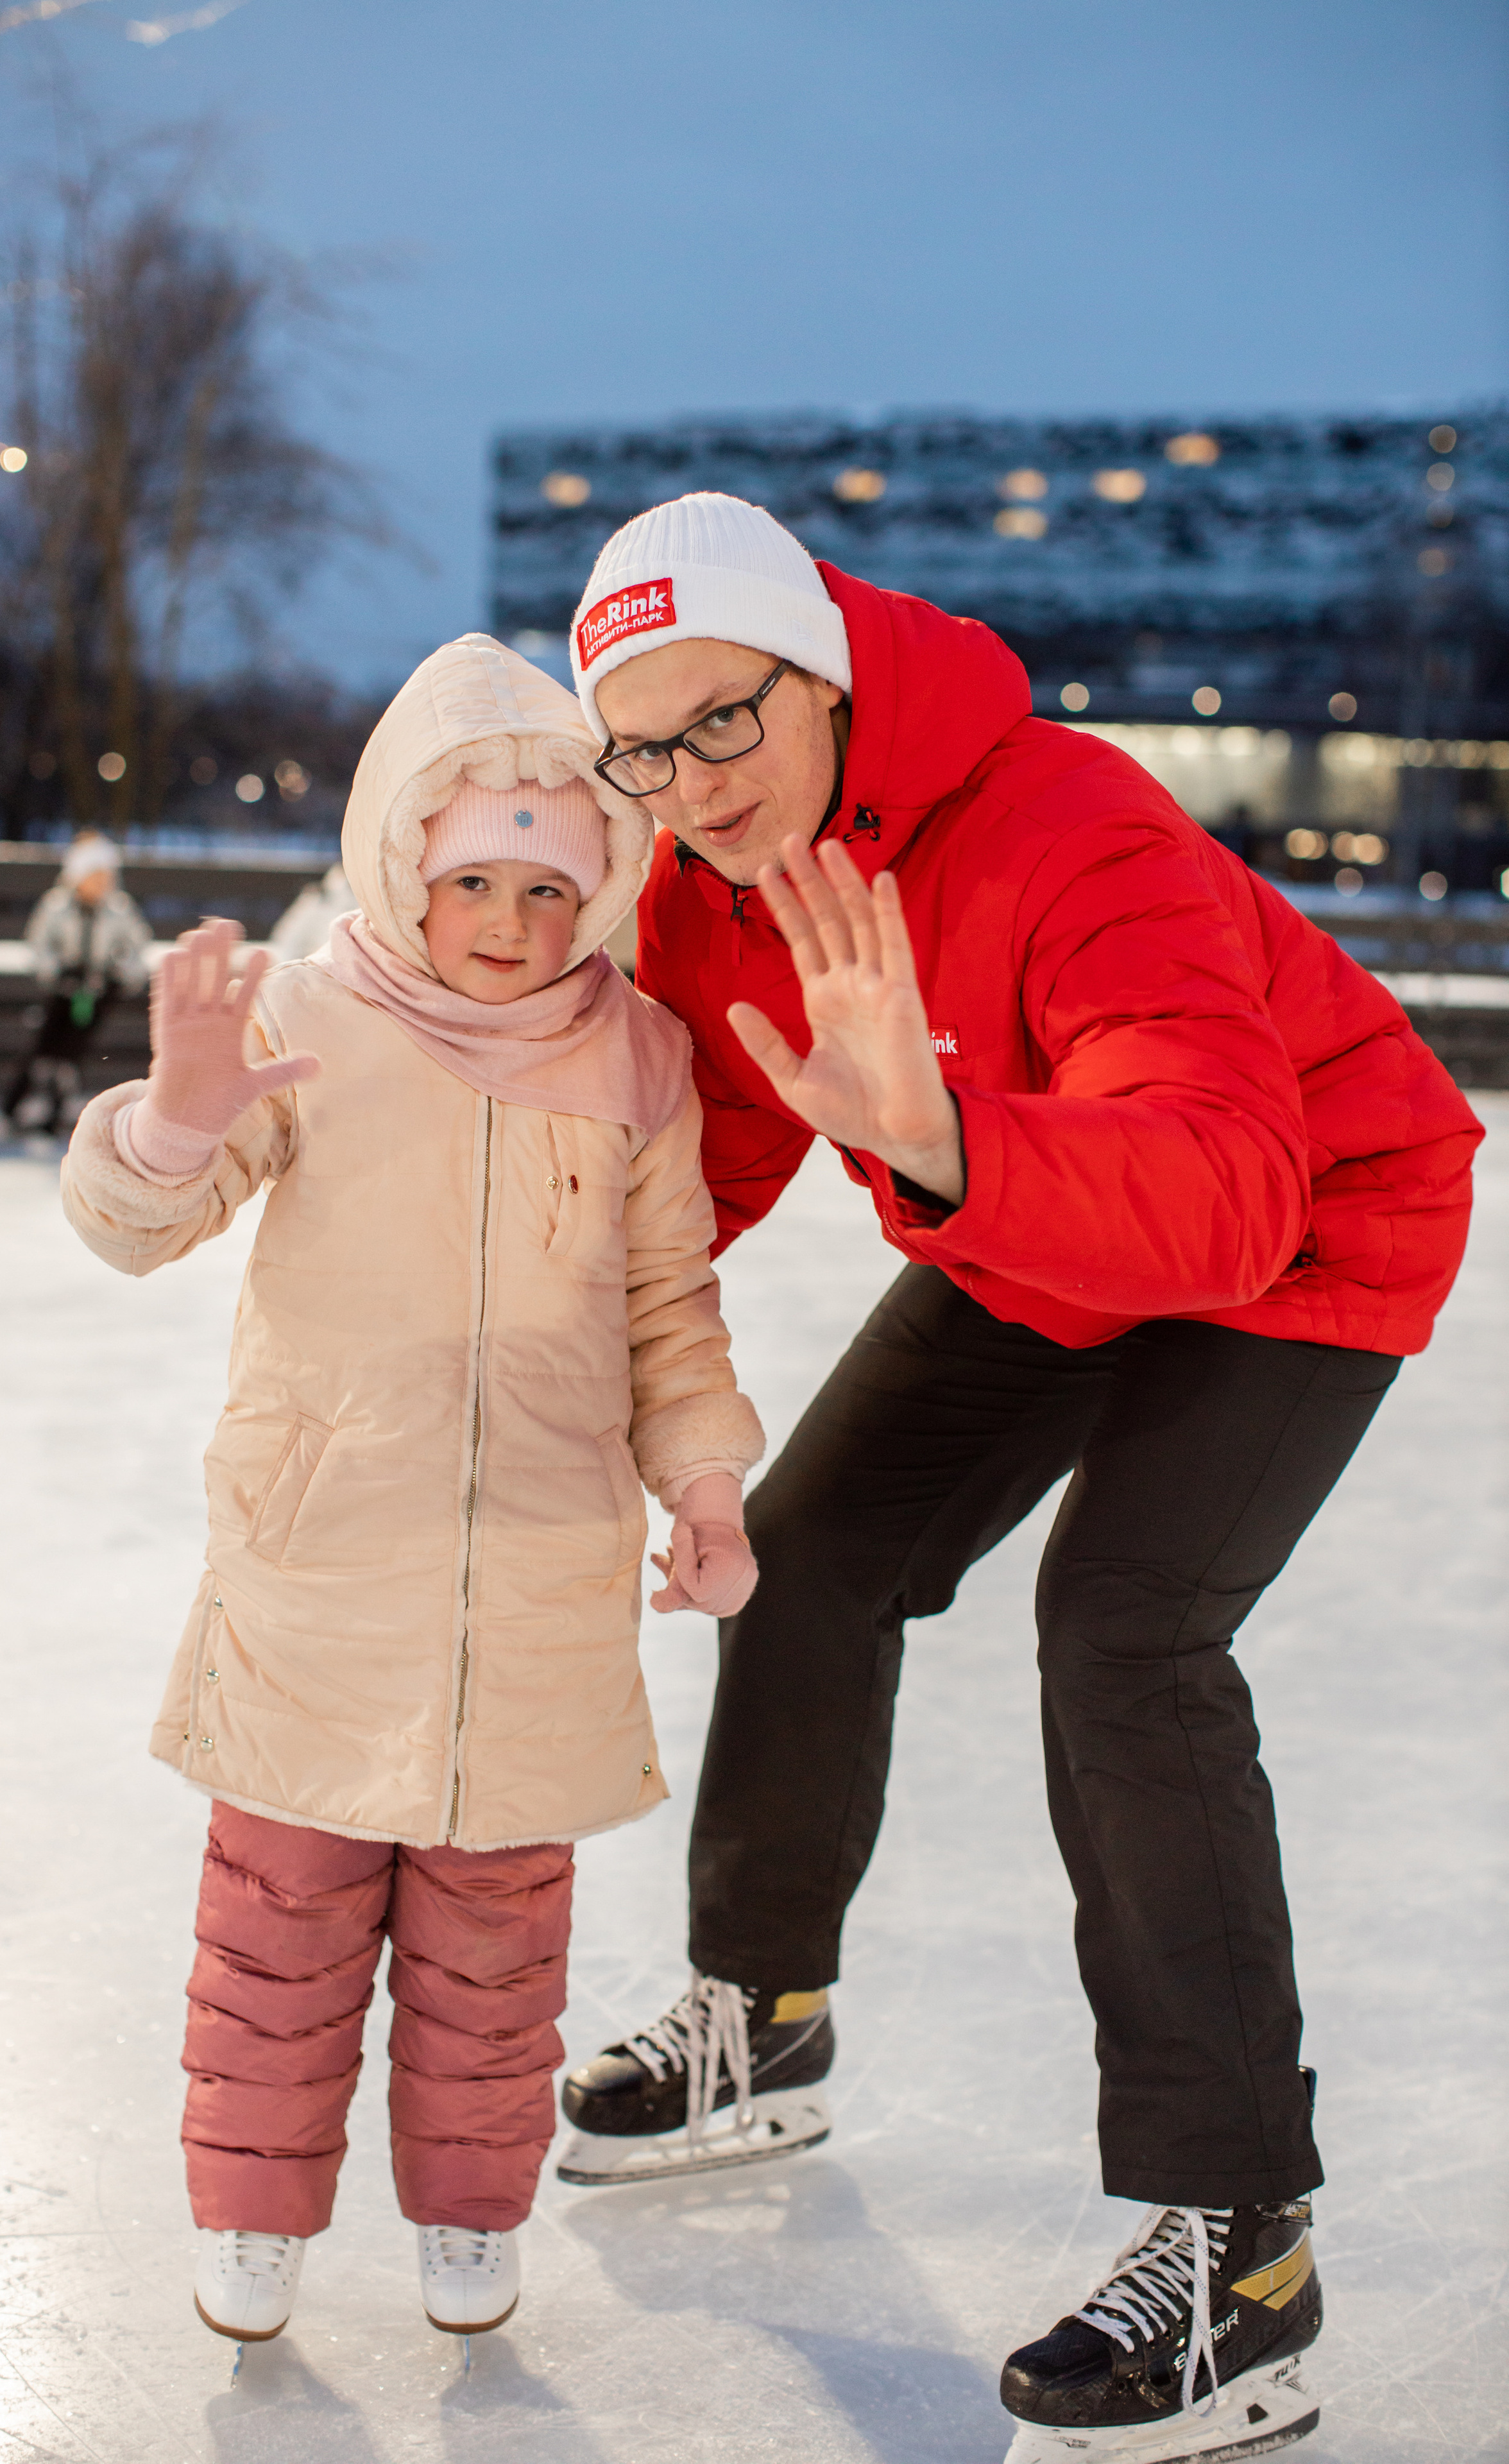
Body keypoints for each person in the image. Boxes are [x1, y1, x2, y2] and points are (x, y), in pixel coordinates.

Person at [552, 495, 1482, 2461]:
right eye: (641, 747)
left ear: (823, 677)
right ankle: (765, 2009)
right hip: (1030, 1212)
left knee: (1122, 1627)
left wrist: (949, 1134)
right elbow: (703, 1157)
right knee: (808, 1542)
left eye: (724, 721)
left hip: (1305, 1219)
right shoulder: (704, 874)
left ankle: (1242, 2250)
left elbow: (1226, 1199)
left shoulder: (1070, 831)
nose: (691, 785)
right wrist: (527, 1337)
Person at [60, 635, 763, 2347]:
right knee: (276, 1933)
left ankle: (467, 2213)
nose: (511, 919)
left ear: (598, 889)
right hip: (320, 1566)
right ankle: (252, 2219)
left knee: (496, 1952)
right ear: (403, 865)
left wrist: (708, 1477)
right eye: (472, 881)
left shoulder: (640, 1059)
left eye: (546, 882)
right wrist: (171, 1120)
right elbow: (137, 1223)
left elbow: (670, 1307)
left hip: (538, 1577)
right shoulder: (309, 1018)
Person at [1, 832, 151, 1131]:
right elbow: (39, 944)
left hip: (98, 992)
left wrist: (120, 972)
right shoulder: (57, 906)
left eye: (105, 877)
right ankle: (12, 1106)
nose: (101, 884)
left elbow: (137, 947)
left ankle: (54, 1114)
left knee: (73, 1052)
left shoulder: (119, 910)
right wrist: (55, 972)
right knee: (44, 1047)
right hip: (61, 991)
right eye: (94, 877)